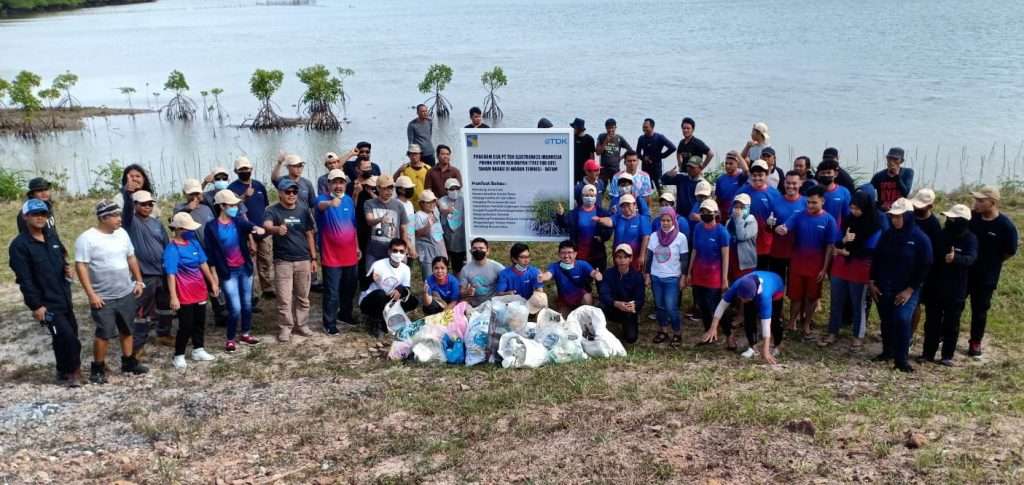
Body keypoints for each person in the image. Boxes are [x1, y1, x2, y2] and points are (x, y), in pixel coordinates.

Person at [74, 200, 149, 384]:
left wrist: (139, 281)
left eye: (119, 215)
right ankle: (98, 368)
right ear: (103, 218)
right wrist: (91, 294)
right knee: (104, 333)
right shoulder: (87, 238)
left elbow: (131, 257)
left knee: (127, 329)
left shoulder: (122, 233)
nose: (119, 219)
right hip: (103, 297)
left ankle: (128, 362)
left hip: (126, 292)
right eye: (115, 216)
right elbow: (81, 266)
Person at [10, 199, 81, 387]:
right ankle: (74, 372)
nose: (40, 217)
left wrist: (68, 271)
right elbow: (24, 279)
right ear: (25, 217)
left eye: (43, 214)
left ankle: (62, 370)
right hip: (46, 303)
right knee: (68, 337)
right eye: (35, 214)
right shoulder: (19, 245)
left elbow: (63, 260)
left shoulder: (52, 237)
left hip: (64, 298)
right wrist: (36, 306)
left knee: (66, 335)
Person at [870, 198, 933, 373]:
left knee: (902, 319)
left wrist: (910, 290)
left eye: (898, 217)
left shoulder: (920, 238)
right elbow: (877, 258)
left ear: (908, 216)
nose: (894, 220)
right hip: (885, 285)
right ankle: (887, 351)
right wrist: (872, 281)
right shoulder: (888, 235)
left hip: (907, 288)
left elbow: (925, 265)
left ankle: (901, 359)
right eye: (893, 216)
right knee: (886, 319)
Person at [774, 186, 839, 337]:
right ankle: (792, 322)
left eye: (814, 203)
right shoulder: (799, 215)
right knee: (795, 296)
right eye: (808, 202)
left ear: (822, 201)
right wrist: (780, 229)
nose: (810, 205)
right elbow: (785, 227)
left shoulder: (829, 220)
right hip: (797, 263)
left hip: (816, 265)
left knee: (812, 297)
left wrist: (824, 268)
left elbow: (830, 246)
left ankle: (807, 324)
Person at [822, 189, 883, 348]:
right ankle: (832, 331)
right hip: (841, 265)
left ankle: (858, 335)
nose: (854, 211)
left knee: (858, 302)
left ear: (865, 208)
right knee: (836, 300)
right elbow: (837, 241)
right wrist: (844, 241)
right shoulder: (848, 220)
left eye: (857, 208)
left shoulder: (874, 224)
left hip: (859, 266)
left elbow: (870, 250)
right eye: (852, 208)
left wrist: (847, 252)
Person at [206, 189, 266, 350]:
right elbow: (210, 254)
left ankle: (245, 333)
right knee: (235, 308)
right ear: (222, 206)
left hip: (244, 269)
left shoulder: (238, 221)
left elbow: (249, 225)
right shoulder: (211, 227)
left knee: (247, 305)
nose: (235, 208)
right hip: (228, 273)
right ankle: (230, 338)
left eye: (235, 205)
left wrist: (256, 228)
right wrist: (214, 277)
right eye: (231, 205)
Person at [920, 204, 977, 366]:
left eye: (952, 219)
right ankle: (927, 353)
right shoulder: (941, 235)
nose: (948, 221)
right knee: (932, 323)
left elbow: (971, 258)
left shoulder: (970, 238)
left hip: (956, 289)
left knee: (952, 324)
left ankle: (947, 356)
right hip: (936, 286)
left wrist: (955, 259)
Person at [263, 178, 318, 342]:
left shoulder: (303, 210)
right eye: (288, 192)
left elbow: (309, 234)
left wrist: (313, 258)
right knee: (284, 298)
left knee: (303, 297)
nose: (292, 194)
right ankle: (285, 328)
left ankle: (302, 325)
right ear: (280, 193)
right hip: (283, 261)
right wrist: (276, 229)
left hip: (303, 260)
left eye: (294, 191)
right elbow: (266, 226)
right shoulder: (272, 210)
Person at [967, 186, 1019, 358]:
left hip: (986, 276)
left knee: (980, 310)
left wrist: (993, 262)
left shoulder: (1006, 226)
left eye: (981, 201)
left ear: (993, 203)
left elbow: (1010, 251)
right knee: (954, 305)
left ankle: (975, 342)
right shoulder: (972, 218)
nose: (977, 203)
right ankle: (945, 336)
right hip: (965, 271)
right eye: (976, 200)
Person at [164, 212, 220, 369]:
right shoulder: (172, 249)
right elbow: (171, 274)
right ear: (179, 229)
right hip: (184, 293)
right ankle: (179, 355)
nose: (191, 231)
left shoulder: (194, 243)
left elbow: (203, 264)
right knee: (186, 325)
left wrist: (213, 282)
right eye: (188, 229)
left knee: (200, 322)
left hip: (199, 289)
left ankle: (198, 349)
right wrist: (173, 296)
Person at [119, 189, 169, 363]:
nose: (147, 207)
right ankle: (137, 347)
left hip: (162, 272)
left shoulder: (157, 223)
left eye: (150, 204)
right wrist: (127, 194)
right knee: (142, 313)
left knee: (165, 307)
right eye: (143, 204)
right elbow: (126, 211)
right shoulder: (131, 222)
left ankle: (164, 334)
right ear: (135, 205)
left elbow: (166, 244)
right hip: (145, 274)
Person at [700, 271, 784, 364]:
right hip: (752, 290)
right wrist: (713, 327)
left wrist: (765, 351)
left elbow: (766, 324)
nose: (743, 301)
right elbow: (722, 305)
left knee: (774, 319)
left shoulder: (765, 296)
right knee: (748, 317)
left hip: (776, 286)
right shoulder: (737, 285)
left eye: (745, 299)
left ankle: (777, 344)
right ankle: (753, 346)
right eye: (741, 298)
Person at [315, 169, 360, 334]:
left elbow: (353, 226)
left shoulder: (348, 200)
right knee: (332, 292)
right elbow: (319, 206)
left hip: (350, 254)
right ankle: (329, 323)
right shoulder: (322, 199)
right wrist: (329, 204)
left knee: (349, 288)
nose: (338, 186)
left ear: (345, 184)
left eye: (341, 182)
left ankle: (345, 315)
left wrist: (357, 246)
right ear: (328, 184)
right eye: (335, 182)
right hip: (331, 256)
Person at [229, 155, 273, 299]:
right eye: (241, 169)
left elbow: (266, 206)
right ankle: (254, 293)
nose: (244, 171)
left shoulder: (259, 185)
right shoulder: (232, 188)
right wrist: (244, 197)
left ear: (251, 169)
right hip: (245, 233)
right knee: (250, 264)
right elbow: (232, 209)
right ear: (236, 171)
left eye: (246, 169)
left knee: (266, 261)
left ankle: (268, 288)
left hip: (263, 231)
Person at [645, 207, 689, 347]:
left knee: (671, 307)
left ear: (673, 221)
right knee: (660, 306)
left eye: (668, 220)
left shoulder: (681, 238)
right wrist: (647, 274)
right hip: (656, 276)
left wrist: (683, 277)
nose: (665, 223)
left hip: (672, 278)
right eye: (663, 220)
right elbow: (649, 257)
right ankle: (663, 330)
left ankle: (677, 333)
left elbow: (684, 259)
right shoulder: (654, 236)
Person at [688, 199, 731, 340]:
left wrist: (724, 279)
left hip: (714, 276)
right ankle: (709, 332)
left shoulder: (722, 232)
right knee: (703, 305)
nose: (705, 214)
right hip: (699, 273)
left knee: (717, 306)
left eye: (708, 212)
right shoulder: (698, 228)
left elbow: (725, 257)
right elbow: (694, 250)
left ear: (716, 213)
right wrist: (689, 272)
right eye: (703, 212)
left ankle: (729, 334)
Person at [360, 238, 419, 336]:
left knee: (413, 301)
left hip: (389, 300)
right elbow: (363, 285)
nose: (398, 254)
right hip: (371, 301)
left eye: (401, 251)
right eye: (395, 250)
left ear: (405, 253)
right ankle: (376, 321)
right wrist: (370, 278)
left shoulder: (406, 269)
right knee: (380, 294)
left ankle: (389, 316)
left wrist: (400, 290)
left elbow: (407, 289)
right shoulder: (378, 264)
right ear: (389, 251)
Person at [736, 160, 782, 269]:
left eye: (760, 175)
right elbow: (733, 213)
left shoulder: (774, 194)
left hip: (766, 245)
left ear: (767, 174)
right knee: (748, 274)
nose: (757, 178)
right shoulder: (742, 192)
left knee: (763, 274)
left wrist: (773, 223)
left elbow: (779, 217)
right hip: (747, 244)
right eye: (754, 175)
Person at [766, 172, 807, 294]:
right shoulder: (775, 201)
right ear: (784, 183)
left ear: (800, 183)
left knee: (796, 290)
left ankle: (796, 306)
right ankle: (776, 307)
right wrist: (772, 227)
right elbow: (768, 227)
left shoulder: (806, 202)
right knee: (776, 287)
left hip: (798, 253)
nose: (791, 186)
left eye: (794, 183)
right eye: (788, 183)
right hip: (778, 252)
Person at [910, 188, 942, 340]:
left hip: (922, 270)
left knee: (915, 304)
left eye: (921, 205)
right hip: (904, 266)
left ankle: (910, 335)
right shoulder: (910, 216)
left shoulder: (934, 225)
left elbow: (934, 254)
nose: (917, 207)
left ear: (930, 206)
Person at [556, 184, 611, 273]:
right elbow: (564, 224)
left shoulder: (602, 212)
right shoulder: (575, 213)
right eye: (586, 195)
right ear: (582, 196)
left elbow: (609, 228)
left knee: (599, 277)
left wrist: (602, 237)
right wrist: (560, 215)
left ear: (596, 196)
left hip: (597, 252)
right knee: (582, 278)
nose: (589, 198)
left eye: (592, 195)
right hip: (579, 251)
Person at [364, 174, 414, 270]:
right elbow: (369, 221)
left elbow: (403, 229)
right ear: (378, 188)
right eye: (385, 188)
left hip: (394, 252)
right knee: (373, 276)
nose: (389, 191)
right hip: (374, 251)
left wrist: (406, 248)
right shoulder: (369, 203)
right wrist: (380, 219)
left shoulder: (399, 205)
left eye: (391, 188)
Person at [599, 244, 646, 344]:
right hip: (612, 307)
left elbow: (640, 299)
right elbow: (603, 294)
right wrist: (616, 303)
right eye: (619, 257)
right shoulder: (608, 273)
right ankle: (600, 329)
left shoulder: (637, 276)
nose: (622, 260)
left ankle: (629, 323)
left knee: (631, 338)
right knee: (600, 306)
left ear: (631, 259)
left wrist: (634, 305)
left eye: (625, 257)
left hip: (628, 310)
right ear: (615, 258)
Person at [540, 240, 602, 314]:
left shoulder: (582, 264)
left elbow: (593, 272)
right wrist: (543, 277)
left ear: (575, 254)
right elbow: (548, 274)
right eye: (563, 253)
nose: (566, 256)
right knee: (562, 317)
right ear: (559, 254)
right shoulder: (555, 266)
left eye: (569, 252)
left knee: (587, 299)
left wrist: (596, 275)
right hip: (564, 299)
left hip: (581, 296)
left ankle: (586, 311)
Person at [600, 194, 651, 272]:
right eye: (623, 206)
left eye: (628, 205)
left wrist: (642, 256)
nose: (626, 209)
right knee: (619, 274)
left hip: (634, 256)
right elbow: (609, 221)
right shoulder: (618, 217)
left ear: (634, 205)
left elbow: (646, 238)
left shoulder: (642, 219)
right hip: (619, 256)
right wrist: (599, 219)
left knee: (634, 275)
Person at [459, 237, 505, 307]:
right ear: (471, 251)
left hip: (494, 304)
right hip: (474, 305)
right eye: (475, 248)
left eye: (481, 248)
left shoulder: (497, 267)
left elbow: (506, 284)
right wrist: (467, 292)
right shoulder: (465, 269)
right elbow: (461, 292)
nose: (478, 250)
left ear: (488, 251)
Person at [414, 189, 448, 280]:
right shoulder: (418, 215)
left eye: (433, 201)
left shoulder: (435, 212)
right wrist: (428, 226)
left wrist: (444, 253)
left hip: (439, 251)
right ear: (421, 203)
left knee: (442, 279)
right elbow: (418, 233)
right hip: (427, 255)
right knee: (429, 280)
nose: (432, 204)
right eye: (428, 202)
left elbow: (440, 236)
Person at [635, 118, 676, 190]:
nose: (644, 129)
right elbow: (638, 153)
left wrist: (662, 156)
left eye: (646, 127)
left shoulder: (659, 137)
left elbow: (672, 148)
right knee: (646, 188)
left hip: (656, 167)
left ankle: (662, 196)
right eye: (643, 127)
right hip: (645, 167)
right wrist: (643, 158)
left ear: (652, 127)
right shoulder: (641, 138)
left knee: (660, 187)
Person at [437, 178, 466, 275]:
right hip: (446, 238)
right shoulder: (442, 200)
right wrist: (446, 210)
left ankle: (457, 281)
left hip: (460, 240)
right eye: (452, 189)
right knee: (444, 262)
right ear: (446, 190)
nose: (455, 191)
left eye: (456, 188)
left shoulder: (464, 199)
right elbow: (442, 208)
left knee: (458, 266)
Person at [727, 193, 758, 282]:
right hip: (732, 259)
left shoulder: (751, 221)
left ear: (748, 208)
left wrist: (739, 219)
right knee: (732, 283)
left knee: (743, 284)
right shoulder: (730, 221)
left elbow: (741, 236)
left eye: (742, 207)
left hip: (745, 263)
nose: (738, 210)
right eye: (736, 207)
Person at [595, 118, 633, 183]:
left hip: (615, 168)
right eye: (608, 128)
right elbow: (598, 153)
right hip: (603, 168)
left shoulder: (619, 138)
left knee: (615, 187)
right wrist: (605, 141)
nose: (610, 130)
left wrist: (621, 158)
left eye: (612, 128)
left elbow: (630, 150)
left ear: (615, 127)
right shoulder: (601, 137)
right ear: (606, 128)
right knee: (602, 186)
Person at [815, 159, 852, 225]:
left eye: (829, 172)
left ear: (835, 174)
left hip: (837, 230)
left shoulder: (844, 192)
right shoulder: (813, 191)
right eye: (823, 173)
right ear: (819, 174)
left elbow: (847, 216)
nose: (826, 175)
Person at [715, 151, 747, 218]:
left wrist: (738, 155)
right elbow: (718, 199)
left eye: (731, 163)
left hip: (738, 214)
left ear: (737, 164)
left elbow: (746, 171)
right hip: (724, 215)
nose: (727, 166)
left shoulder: (741, 177)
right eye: (726, 163)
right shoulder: (720, 179)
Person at [394, 176, 418, 262]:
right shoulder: (396, 204)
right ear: (400, 190)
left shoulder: (409, 203)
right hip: (401, 246)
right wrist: (408, 245)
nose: (411, 190)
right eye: (408, 188)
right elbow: (401, 228)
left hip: (411, 243)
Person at [571, 118, 596, 182]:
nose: (573, 129)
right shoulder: (572, 137)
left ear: (579, 128)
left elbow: (592, 156)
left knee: (585, 185)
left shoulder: (589, 139)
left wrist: (592, 169)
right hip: (574, 168)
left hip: (585, 169)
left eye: (574, 128)